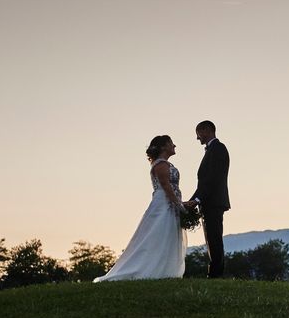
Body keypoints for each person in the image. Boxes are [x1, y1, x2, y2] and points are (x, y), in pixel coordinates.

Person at [94, 135, 188, 282]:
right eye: (171, 143)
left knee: (167, 235)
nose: (174, 145)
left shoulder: (164, 164)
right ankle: (146, 268)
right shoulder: (161, 165)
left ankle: (164, 270)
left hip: (171, 202)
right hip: (164, 203)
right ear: (163, 147)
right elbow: (166, 186)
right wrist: (178, 204)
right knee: (157, 234)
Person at [188, 120, 230, 278]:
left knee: (214, 237)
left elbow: (212, 179)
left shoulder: (218, 149)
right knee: (211, 237)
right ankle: (214, 272)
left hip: (213, 202)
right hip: (210, 201)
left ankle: (215, 274)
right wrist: (194, 200)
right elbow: (206, 181)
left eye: (198, 133)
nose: (197, 138)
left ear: (206, 130)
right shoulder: (212, 150)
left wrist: (197, 200)